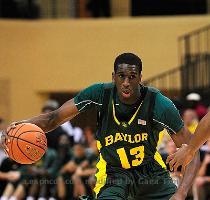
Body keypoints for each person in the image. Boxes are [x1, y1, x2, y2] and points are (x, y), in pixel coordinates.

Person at [1, 53, 200, 200]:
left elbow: (193, 150)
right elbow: (54, 118)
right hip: (114, 173)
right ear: (113, 76)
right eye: (121, 76)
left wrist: (181, 193)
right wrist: (20, 126)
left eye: (132, 77)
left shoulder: (159, 104)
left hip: (150, 172)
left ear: (140, 77)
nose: (126, 83)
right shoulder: (99, 94)